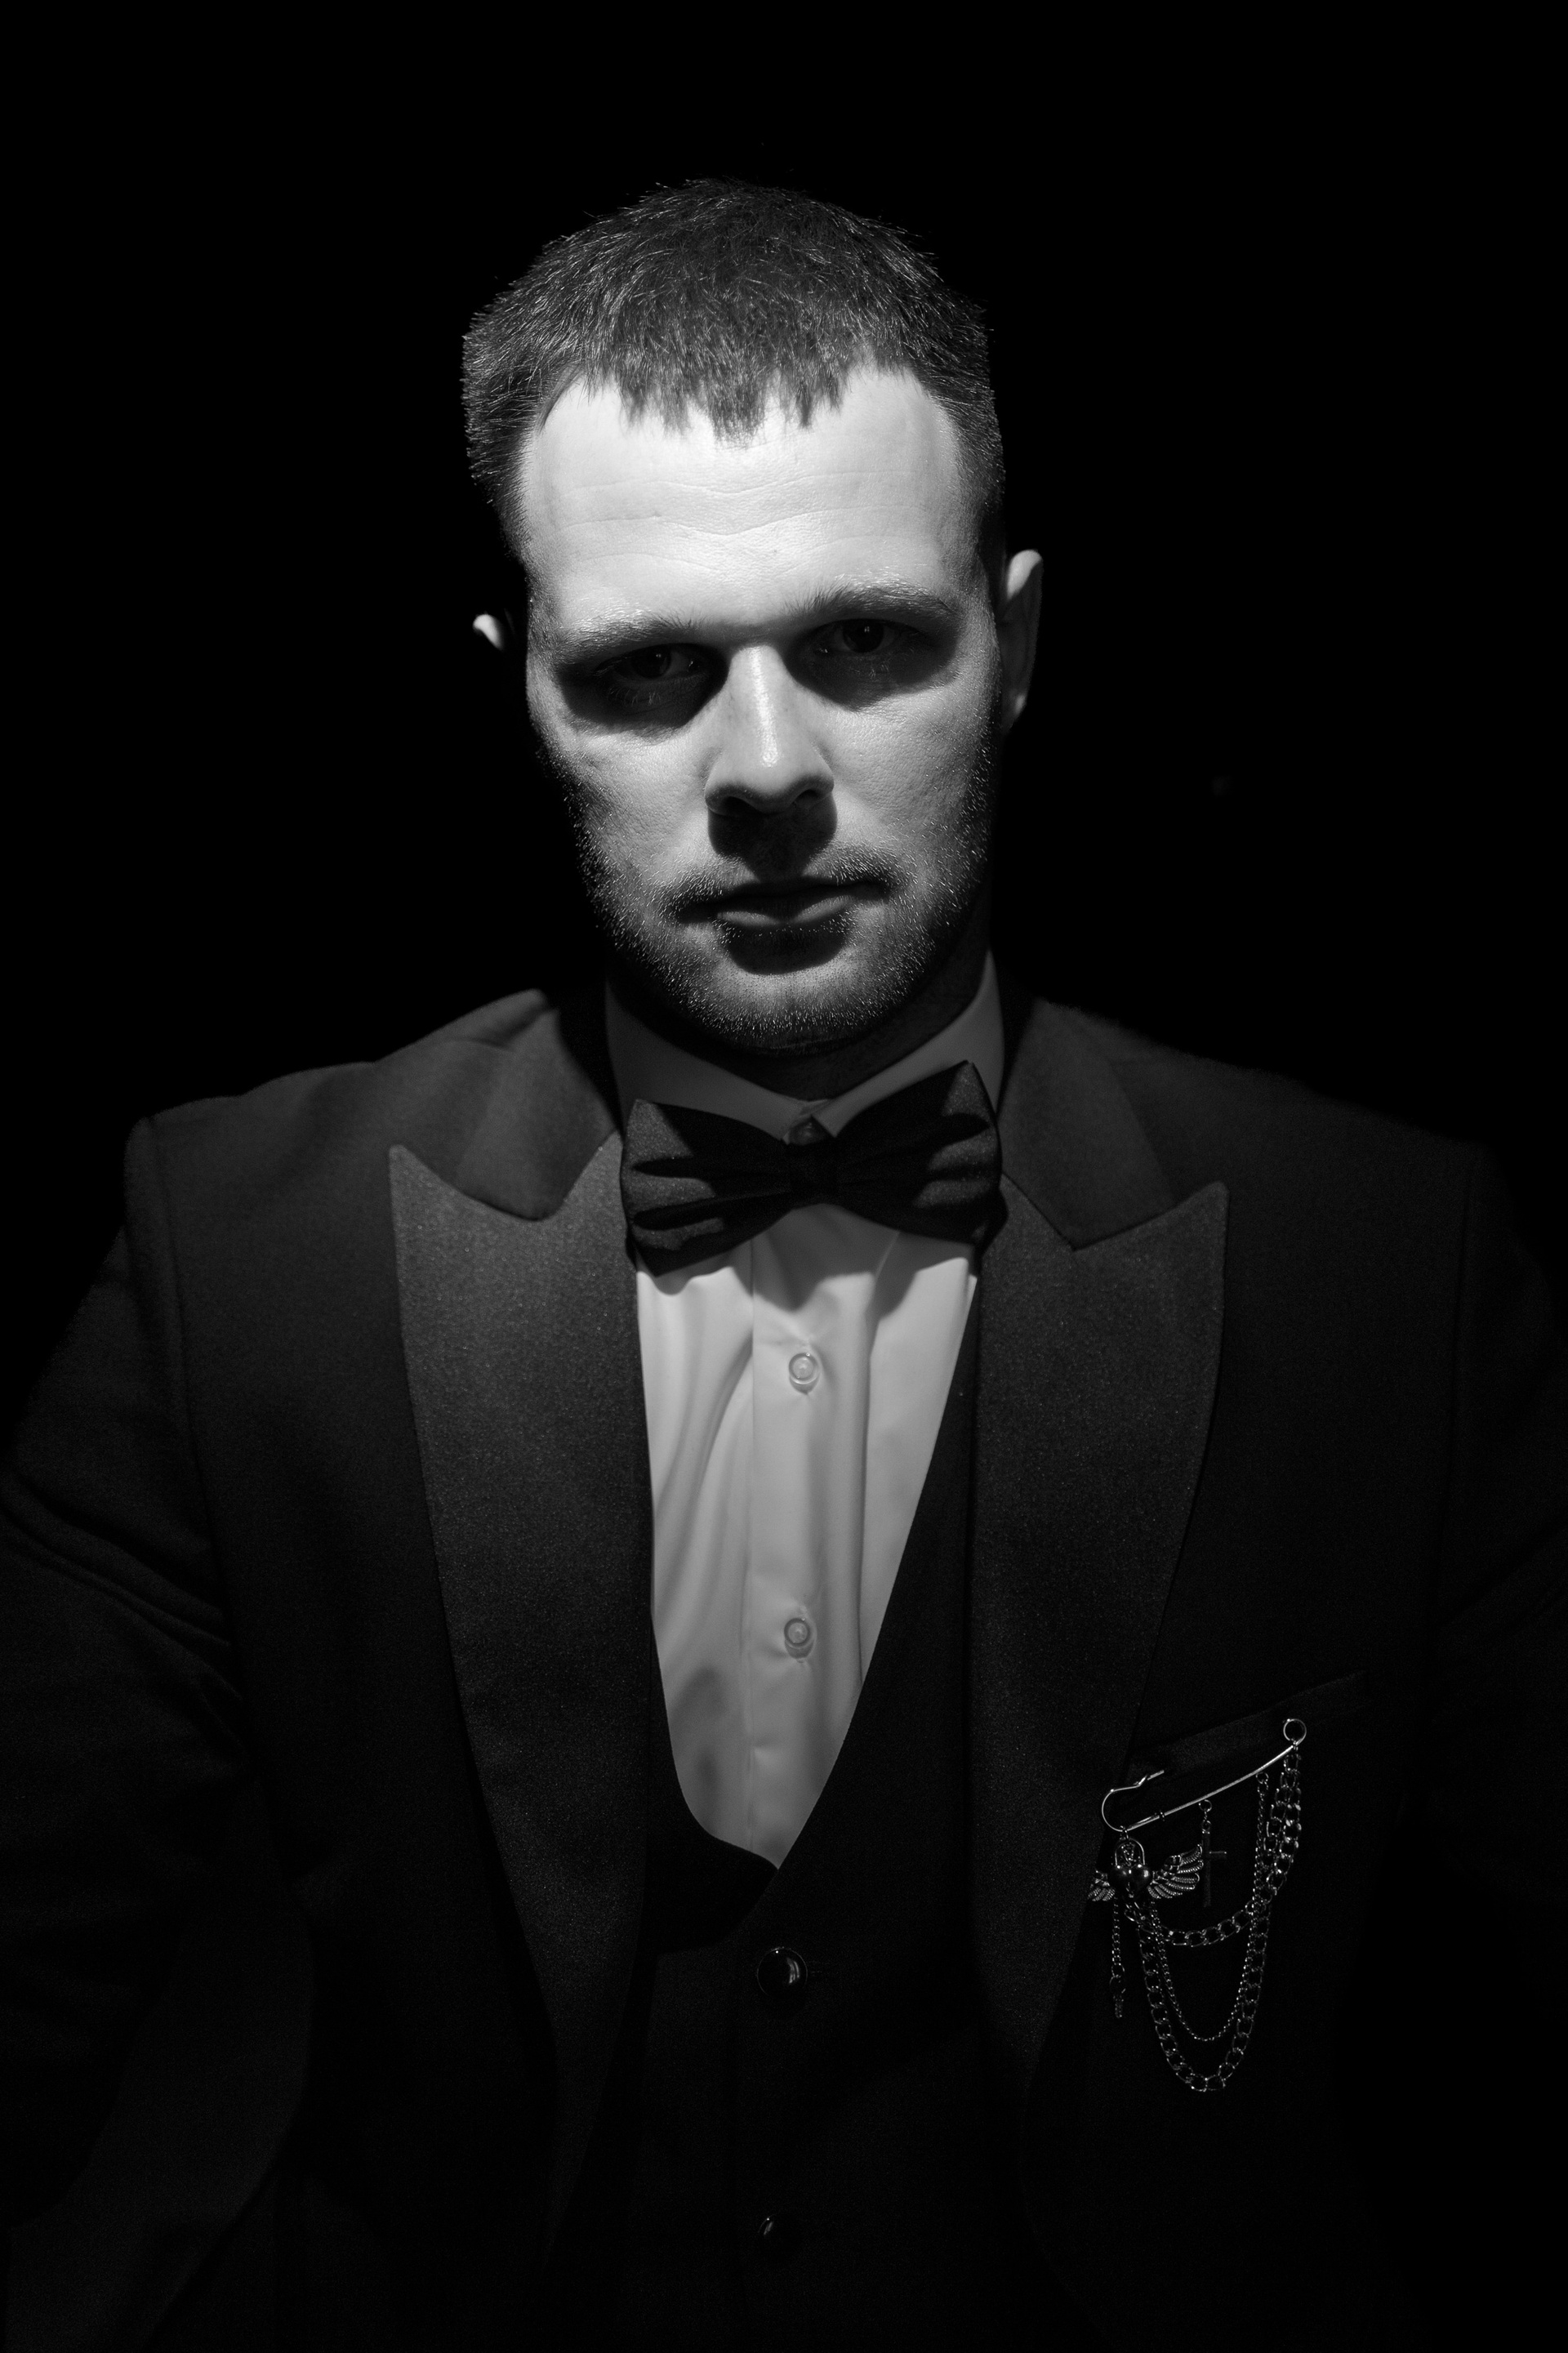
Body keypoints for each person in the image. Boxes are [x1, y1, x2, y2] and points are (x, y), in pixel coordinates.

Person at [2, 178, 1563, 2351]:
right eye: (649, 671)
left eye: (864, 645)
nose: (765, 775)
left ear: (1018, 646)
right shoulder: (239, 1257)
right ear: (517, 692)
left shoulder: (1387, 1269)